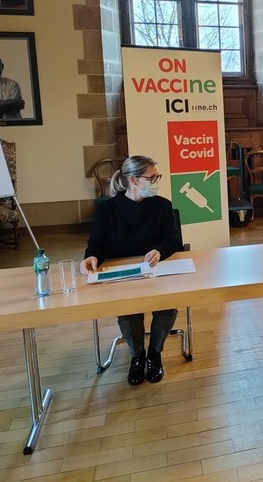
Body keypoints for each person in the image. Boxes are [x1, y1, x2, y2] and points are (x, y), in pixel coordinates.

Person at [80, 155, 183, 385]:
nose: (156, 181)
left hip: (157, 271)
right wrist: (91, 257)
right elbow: (97, 244)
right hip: (124, 274)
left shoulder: (163, 206)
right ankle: (138, 356)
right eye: (152, 177)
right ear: (133, 180)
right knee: (129, 312)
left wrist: (160, 250)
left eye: (158, 176)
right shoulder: (108, 210)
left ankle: (155, 353)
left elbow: (173, 240)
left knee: (167, 307)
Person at [0, 53, 25, 120]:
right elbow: (15, 104)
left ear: (2, 67)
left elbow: (16, 108)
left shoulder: (12, 84)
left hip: (12, 127)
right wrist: (9, 103)